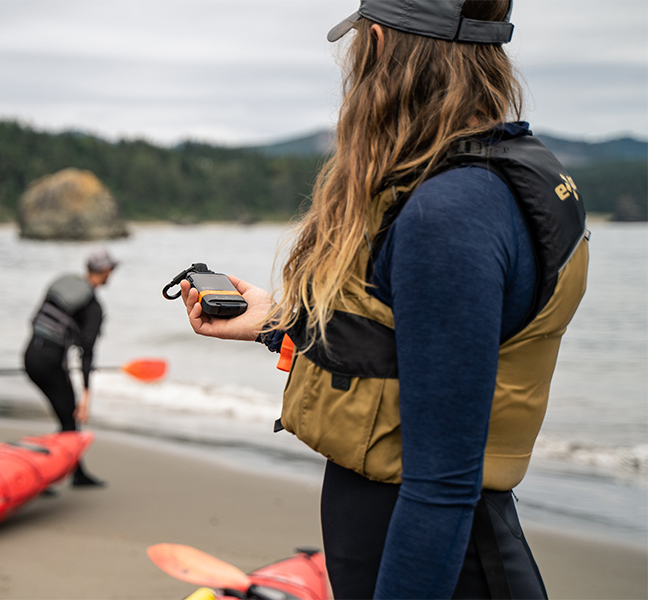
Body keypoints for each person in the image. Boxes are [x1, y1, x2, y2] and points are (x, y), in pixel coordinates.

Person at [178, 1, 589, 597]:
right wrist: (280, 323)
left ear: (374, 45)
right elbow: (407, 349)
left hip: (439, 564)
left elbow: (443, 486)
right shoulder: (476, 182)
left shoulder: (449, 213)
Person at [24, 248, 118, 487]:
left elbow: (40, 322)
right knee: (69, 421)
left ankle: (70, 472)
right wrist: (86, 395)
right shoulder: (93, 307)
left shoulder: (63, 284)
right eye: (112, 270)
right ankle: (48, 473)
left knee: (66, 418)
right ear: (106, 271)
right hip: (48, 363)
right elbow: (87, 353)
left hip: (30, 357)